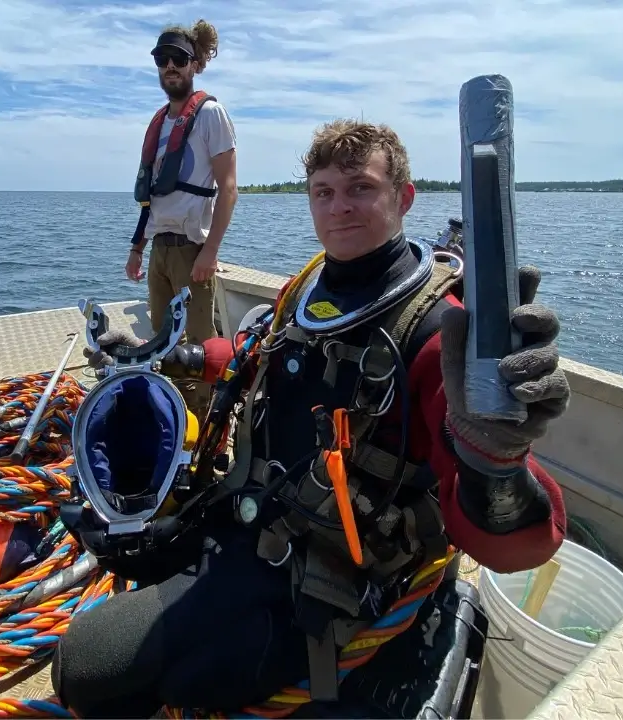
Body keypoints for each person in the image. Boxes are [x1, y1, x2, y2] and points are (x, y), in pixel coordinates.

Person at [54, 119, 572, 718]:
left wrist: (498, 461)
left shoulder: (437, 333)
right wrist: (174, 356)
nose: (339, 207)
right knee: (117, 555)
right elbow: (261, 353)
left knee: (88, 669)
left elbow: (517, 545)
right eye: (323, 192)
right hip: (248, 517)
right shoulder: (309, 285)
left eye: (360, 188)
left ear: (404, 197)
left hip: (323, 577)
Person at [126, 20, 238, 413]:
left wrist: (210, 251)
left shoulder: (211, 114)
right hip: (159, 249)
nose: (170, 66)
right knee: (162, 344)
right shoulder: (159, 124)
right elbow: (152, 195)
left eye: (179, 58)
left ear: (195, 64)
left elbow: (228, 189)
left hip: (193, 252)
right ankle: (170, 422)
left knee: (196, 352)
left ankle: (201, 434)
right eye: (162, 58)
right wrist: (137, 248)